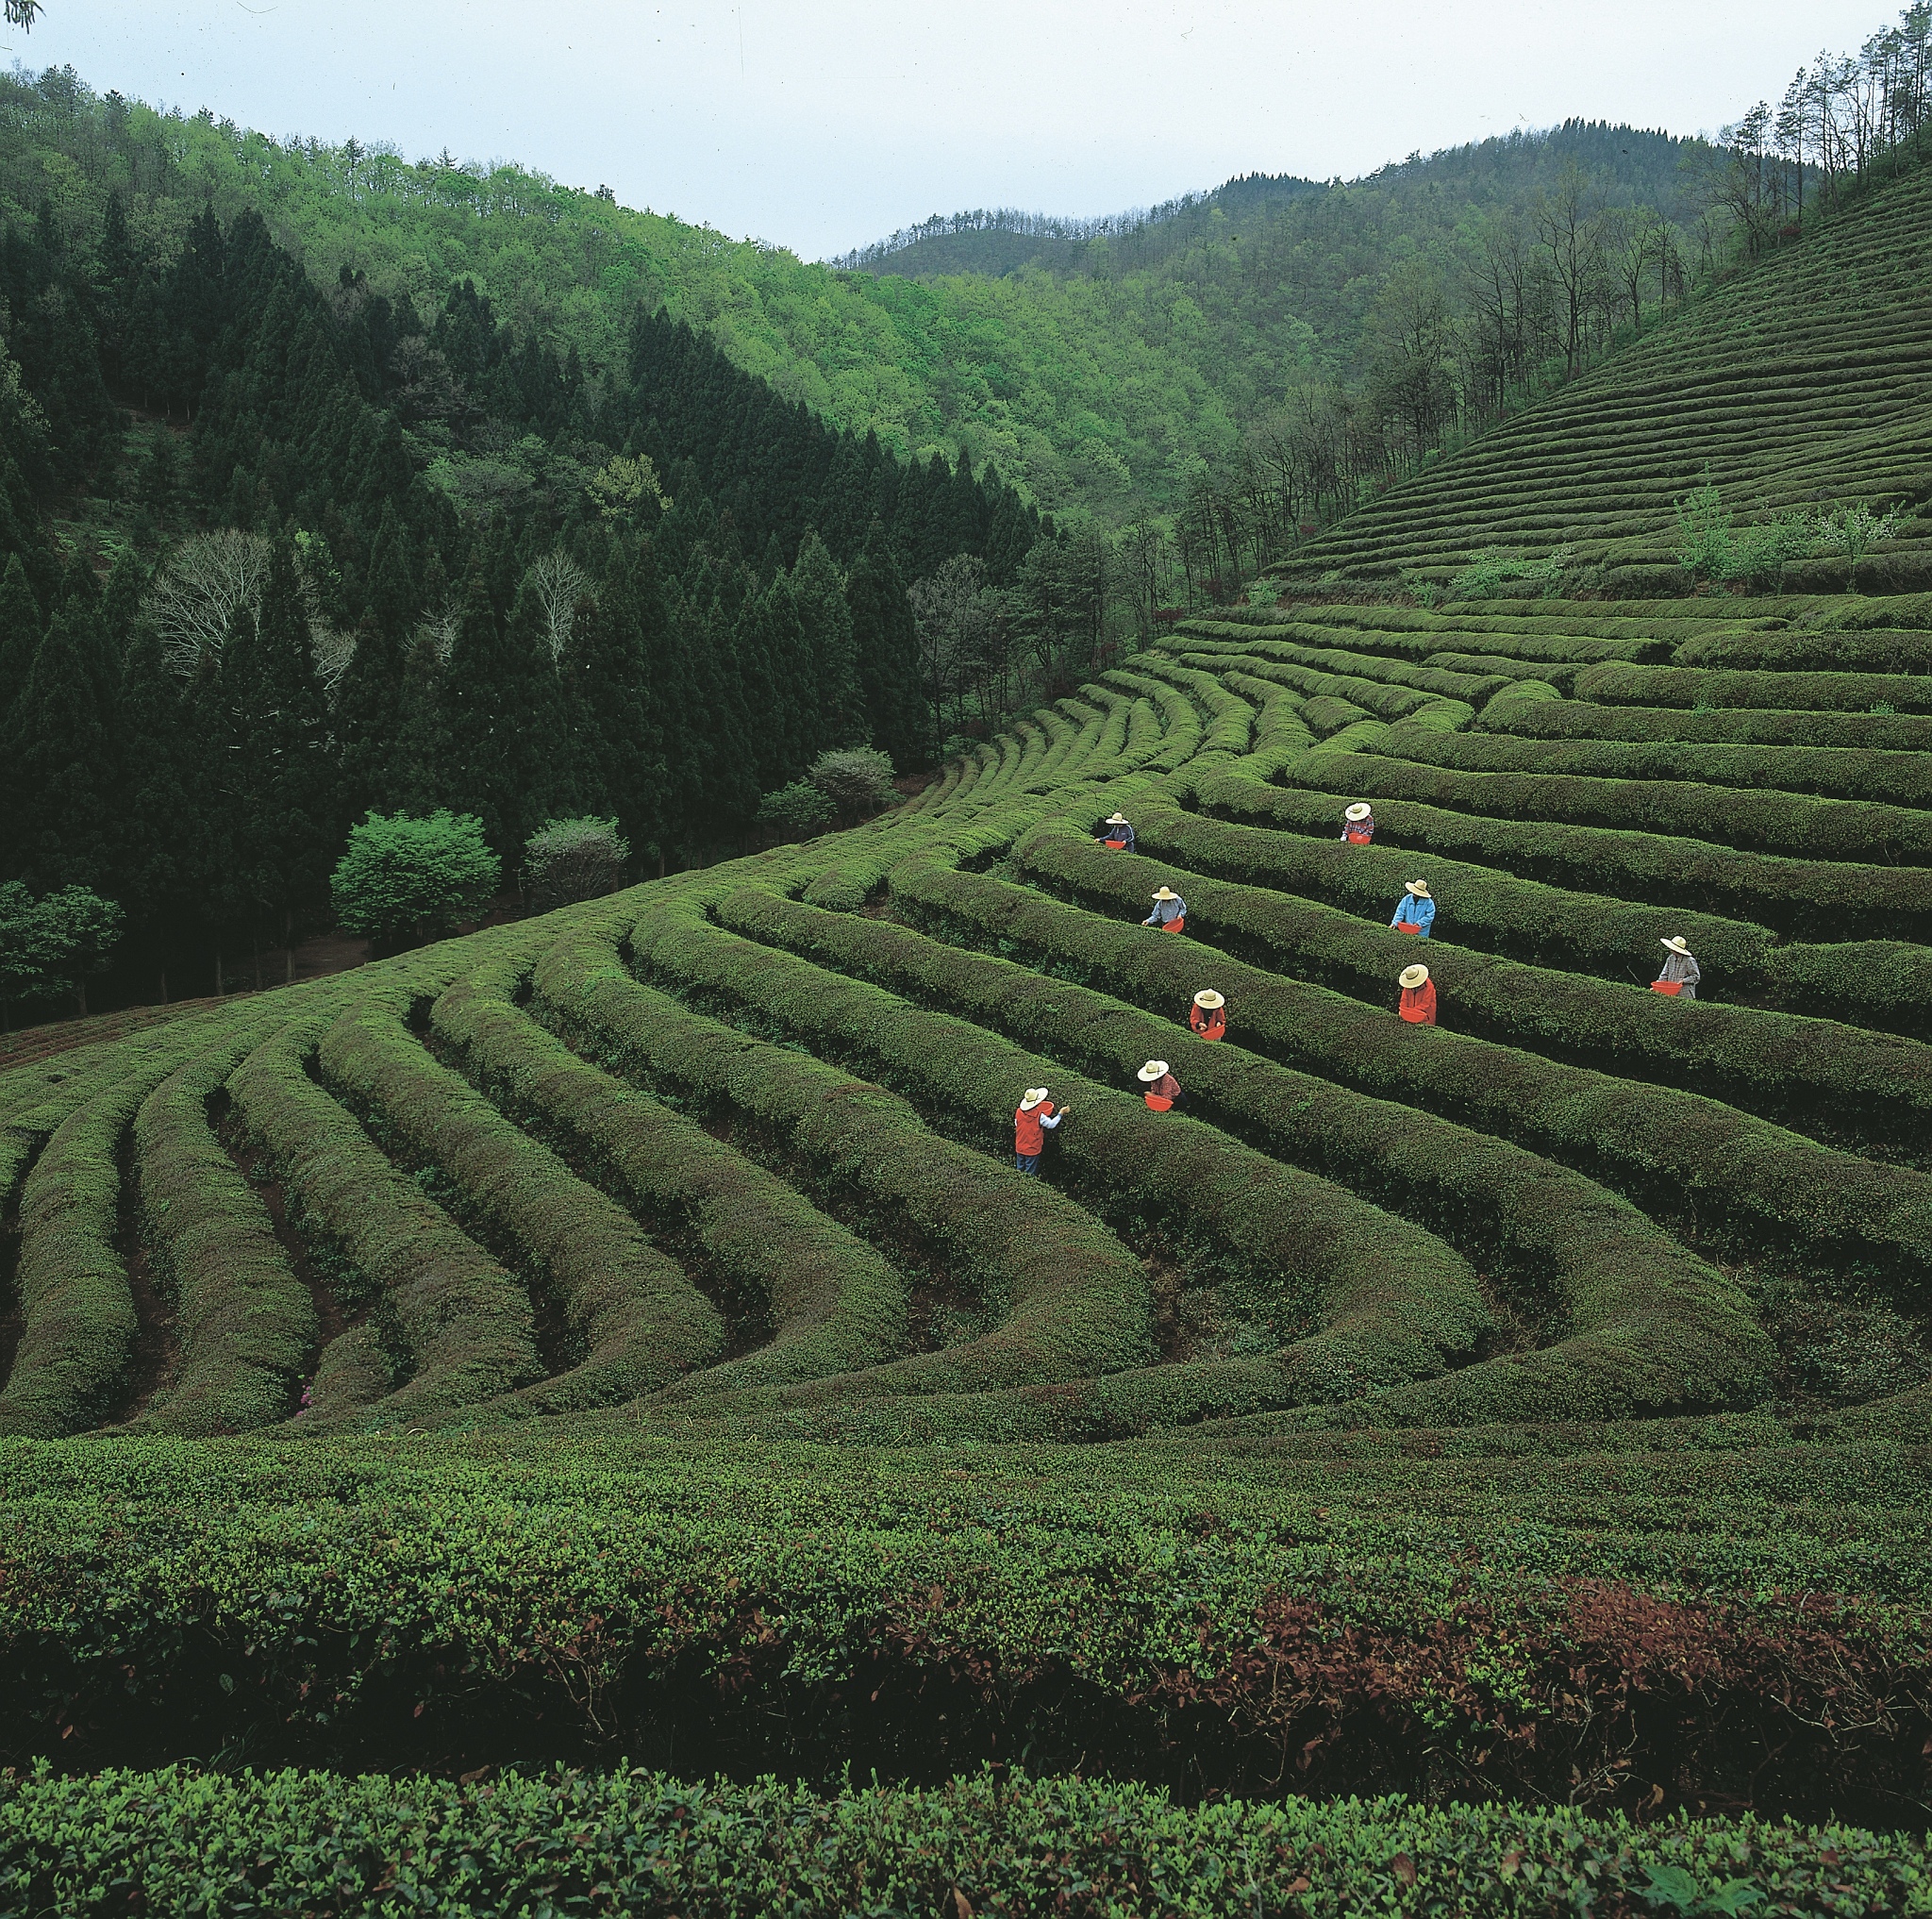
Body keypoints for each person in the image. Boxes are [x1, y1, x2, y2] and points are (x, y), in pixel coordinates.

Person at [1013, 1086, 1068, 1174]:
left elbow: (1017, 1123)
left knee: (1019, 1170)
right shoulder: (1039, 1116)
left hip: (1020, 1146)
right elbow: (1051, 1125)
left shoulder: (1019, 1111)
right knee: (1030, 1173)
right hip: (1032, 1148)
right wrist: (1060, 1114)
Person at [1654, 936, 1702, 1000]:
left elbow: (1696, 976)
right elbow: (1664, 975)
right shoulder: (1670, 958)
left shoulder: (1689, 960)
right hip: (1670, 993)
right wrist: (1657, 987)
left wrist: (1684, 981)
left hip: (1685, 994)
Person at [1397, 962, 1437, 1026]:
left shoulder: (1429, 987)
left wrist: (1412, 1012)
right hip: (1410, 1015)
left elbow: (1425, 1004)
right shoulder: (1407, 987)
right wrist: (1403, 1010)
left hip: (1425, 1015)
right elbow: (1404, 1000)